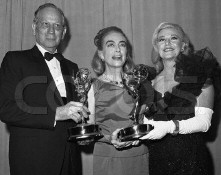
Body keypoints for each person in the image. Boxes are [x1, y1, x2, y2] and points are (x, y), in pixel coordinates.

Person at [0, 3, 89, 175]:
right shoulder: (15, 60)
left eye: (57, 26)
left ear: (63, 32)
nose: (51, 31)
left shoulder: (73, 67)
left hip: (70, 161)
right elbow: (6, 109)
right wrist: (55, 114)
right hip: (33, 162)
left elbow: (75, 114)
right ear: (34, 27)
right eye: (45, 24)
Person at [139, 22, 220, 175]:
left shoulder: (199, 75)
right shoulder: (148, 83)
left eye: (173, 38)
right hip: (158, 160)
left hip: (192, 160)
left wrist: (169, 127)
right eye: (161, 39)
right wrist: (132, 137)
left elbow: (204, 123)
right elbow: (146, 123)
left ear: (183, 45)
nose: (167, 43)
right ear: (157, 46)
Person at [87, 26, 149, 175]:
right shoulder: (92, 87)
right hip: (109, 158)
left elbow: (148, 119)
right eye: (111, 45)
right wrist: (111, 139)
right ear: (101, 54)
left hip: (140, 155)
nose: (117, 50)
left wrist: (141, 134)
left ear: (126, 52)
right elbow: (89, 129)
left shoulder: (141, 84)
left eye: (122, 44)